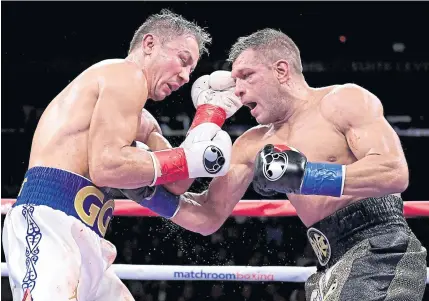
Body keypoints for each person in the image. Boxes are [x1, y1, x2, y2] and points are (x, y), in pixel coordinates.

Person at [154, 29, 427, 300]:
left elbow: (393, 171)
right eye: (235, 80)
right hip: (329, 264)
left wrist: (307, 177)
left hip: (380, 248)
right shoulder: (252, 144)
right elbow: (207, 215)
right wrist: (148, 194)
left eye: (247, 76)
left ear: (282, 71)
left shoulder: (342, 101)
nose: (237, 89)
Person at [2, 9, 243, 301]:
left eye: (191, 71)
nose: (185, 76)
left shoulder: (144, 122)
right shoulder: (123, 73)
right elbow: (107, 167)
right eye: (183, 60)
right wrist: (190, 158)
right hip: (50, 223)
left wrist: (208, 115)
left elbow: (177, 184)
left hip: (86, 236)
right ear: (149, 44)